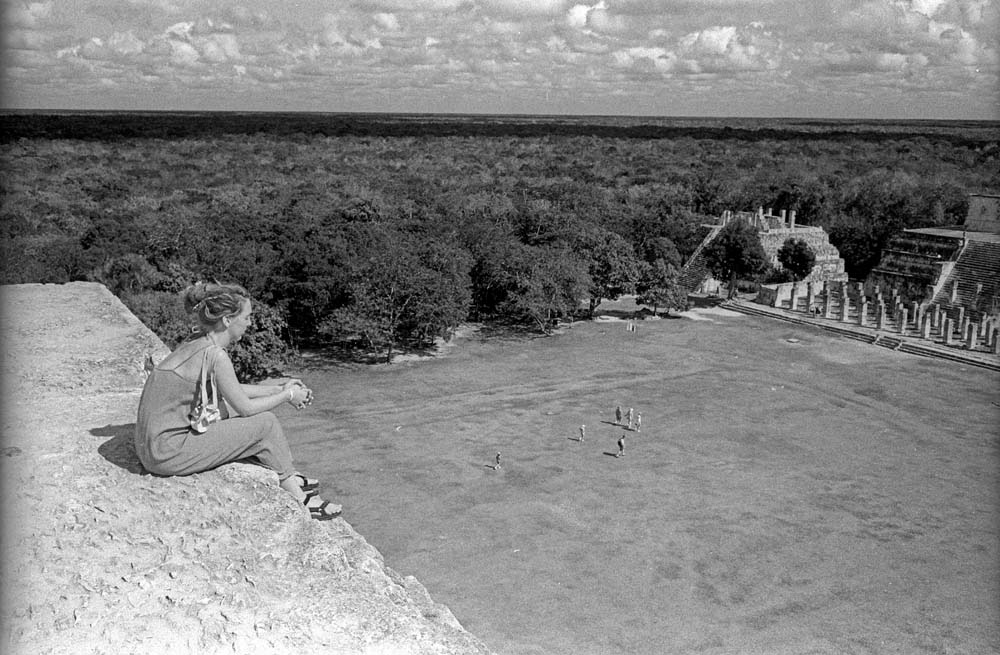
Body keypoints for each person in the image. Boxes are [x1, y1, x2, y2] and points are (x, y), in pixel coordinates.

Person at [134, 282, 341, 521]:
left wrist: (277, 387)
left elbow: (231, 390)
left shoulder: (197, 340)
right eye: (247, 317)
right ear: (227, 320)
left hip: (151, 445)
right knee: (266, 424)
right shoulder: (216, 356)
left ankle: (286, 471)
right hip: (165, 453)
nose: (250, 323)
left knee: (228, 412)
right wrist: (288, 396)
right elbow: (245, 408)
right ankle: (299, 497)